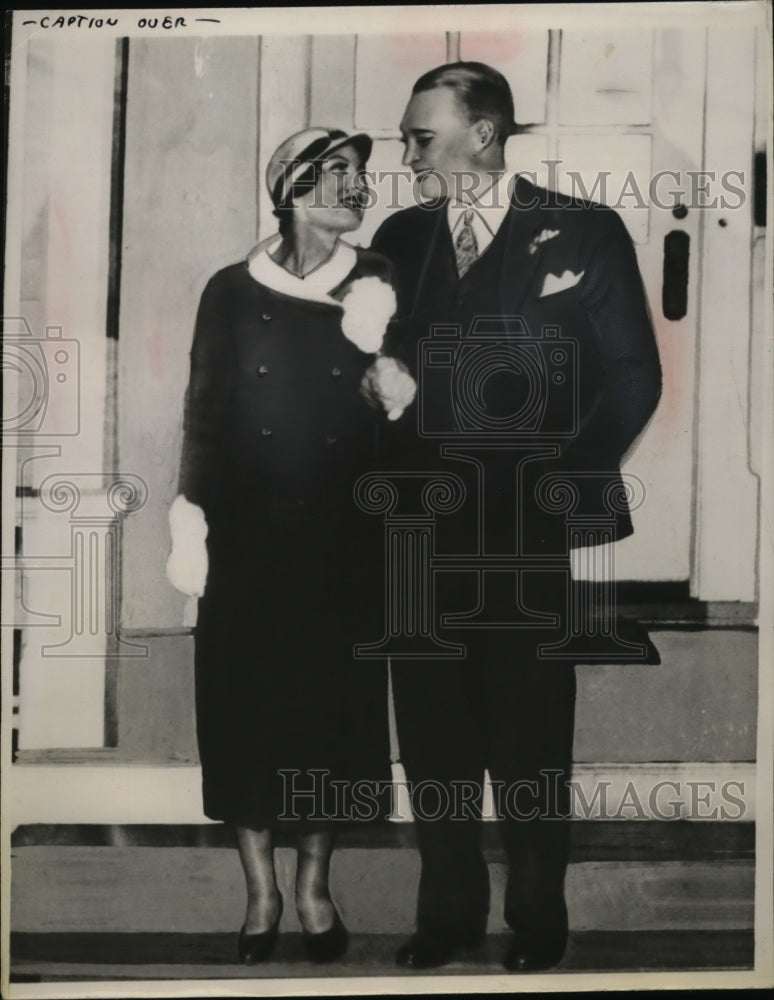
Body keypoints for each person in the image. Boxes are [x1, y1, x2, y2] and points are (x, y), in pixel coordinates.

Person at [370, 62, 662, 972]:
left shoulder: (583, 229)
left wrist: (560, 484)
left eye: (421, 136)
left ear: (483, 134)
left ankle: (538, 920)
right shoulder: (400, 237)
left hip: (525, 526)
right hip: (418, 524)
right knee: (432, 728)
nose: (407, 154)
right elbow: (373, 364)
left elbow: (632, 377)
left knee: (529, 731)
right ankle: (448, 915)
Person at [165, 127, 416, 965]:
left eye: (360, 172)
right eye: (336, 172)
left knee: (328, 712)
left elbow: (397, 407)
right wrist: (191, 516)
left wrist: (395, 390)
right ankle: (260, 891)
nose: (355, 185)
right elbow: (205, 410)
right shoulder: (231, 289)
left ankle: (312, 887)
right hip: (247, 532)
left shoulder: (378, 277)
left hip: (342, 532)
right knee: (246, 709)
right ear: (293, 188)